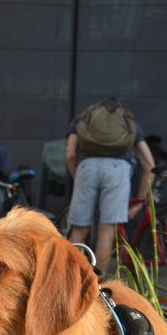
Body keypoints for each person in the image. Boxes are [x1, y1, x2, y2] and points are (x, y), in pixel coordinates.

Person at [65, 101, 153, 272]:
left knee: (79, 229)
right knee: (107, 231)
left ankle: (63, 282)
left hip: (86, 168)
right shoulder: (128, 119)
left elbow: (70, 155)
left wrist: (79, 180)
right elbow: (150, 164)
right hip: (118, 169)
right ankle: (96, 287)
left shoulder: (82, 117)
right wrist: (139, 204)